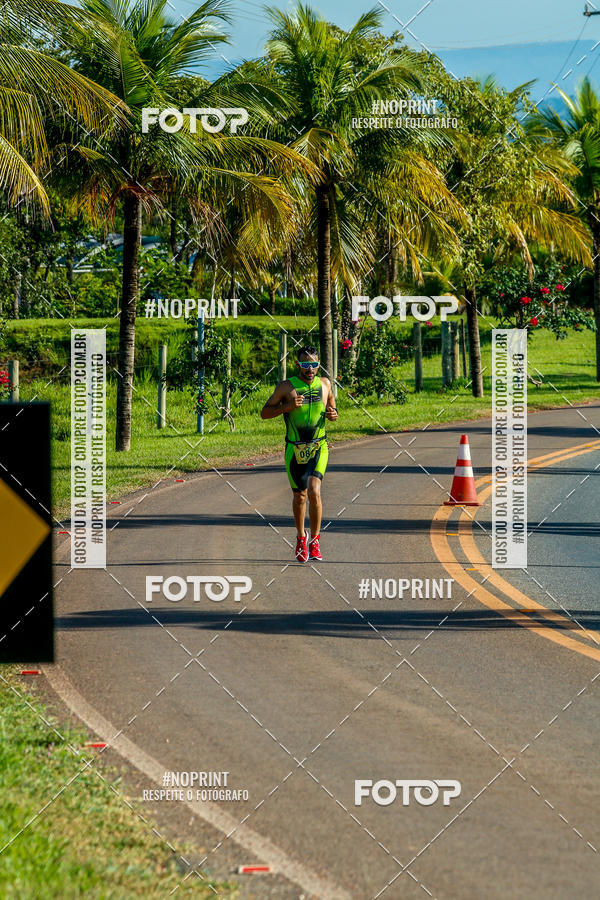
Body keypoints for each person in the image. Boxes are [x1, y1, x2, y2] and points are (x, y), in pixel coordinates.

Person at [260, 346, 338, 562]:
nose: (310, 369)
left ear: (319, 365)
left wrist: (333, 414)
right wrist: (286, 407)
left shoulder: (325, 384)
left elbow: (332, 408)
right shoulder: (286, 387)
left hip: (319, 446)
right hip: (295, 449)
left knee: (314, 490)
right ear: (298, 365)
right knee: (300, 495)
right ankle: (301, 538)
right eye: (305, 364)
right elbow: (264, 413)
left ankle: (315, 541)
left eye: (314, 364)